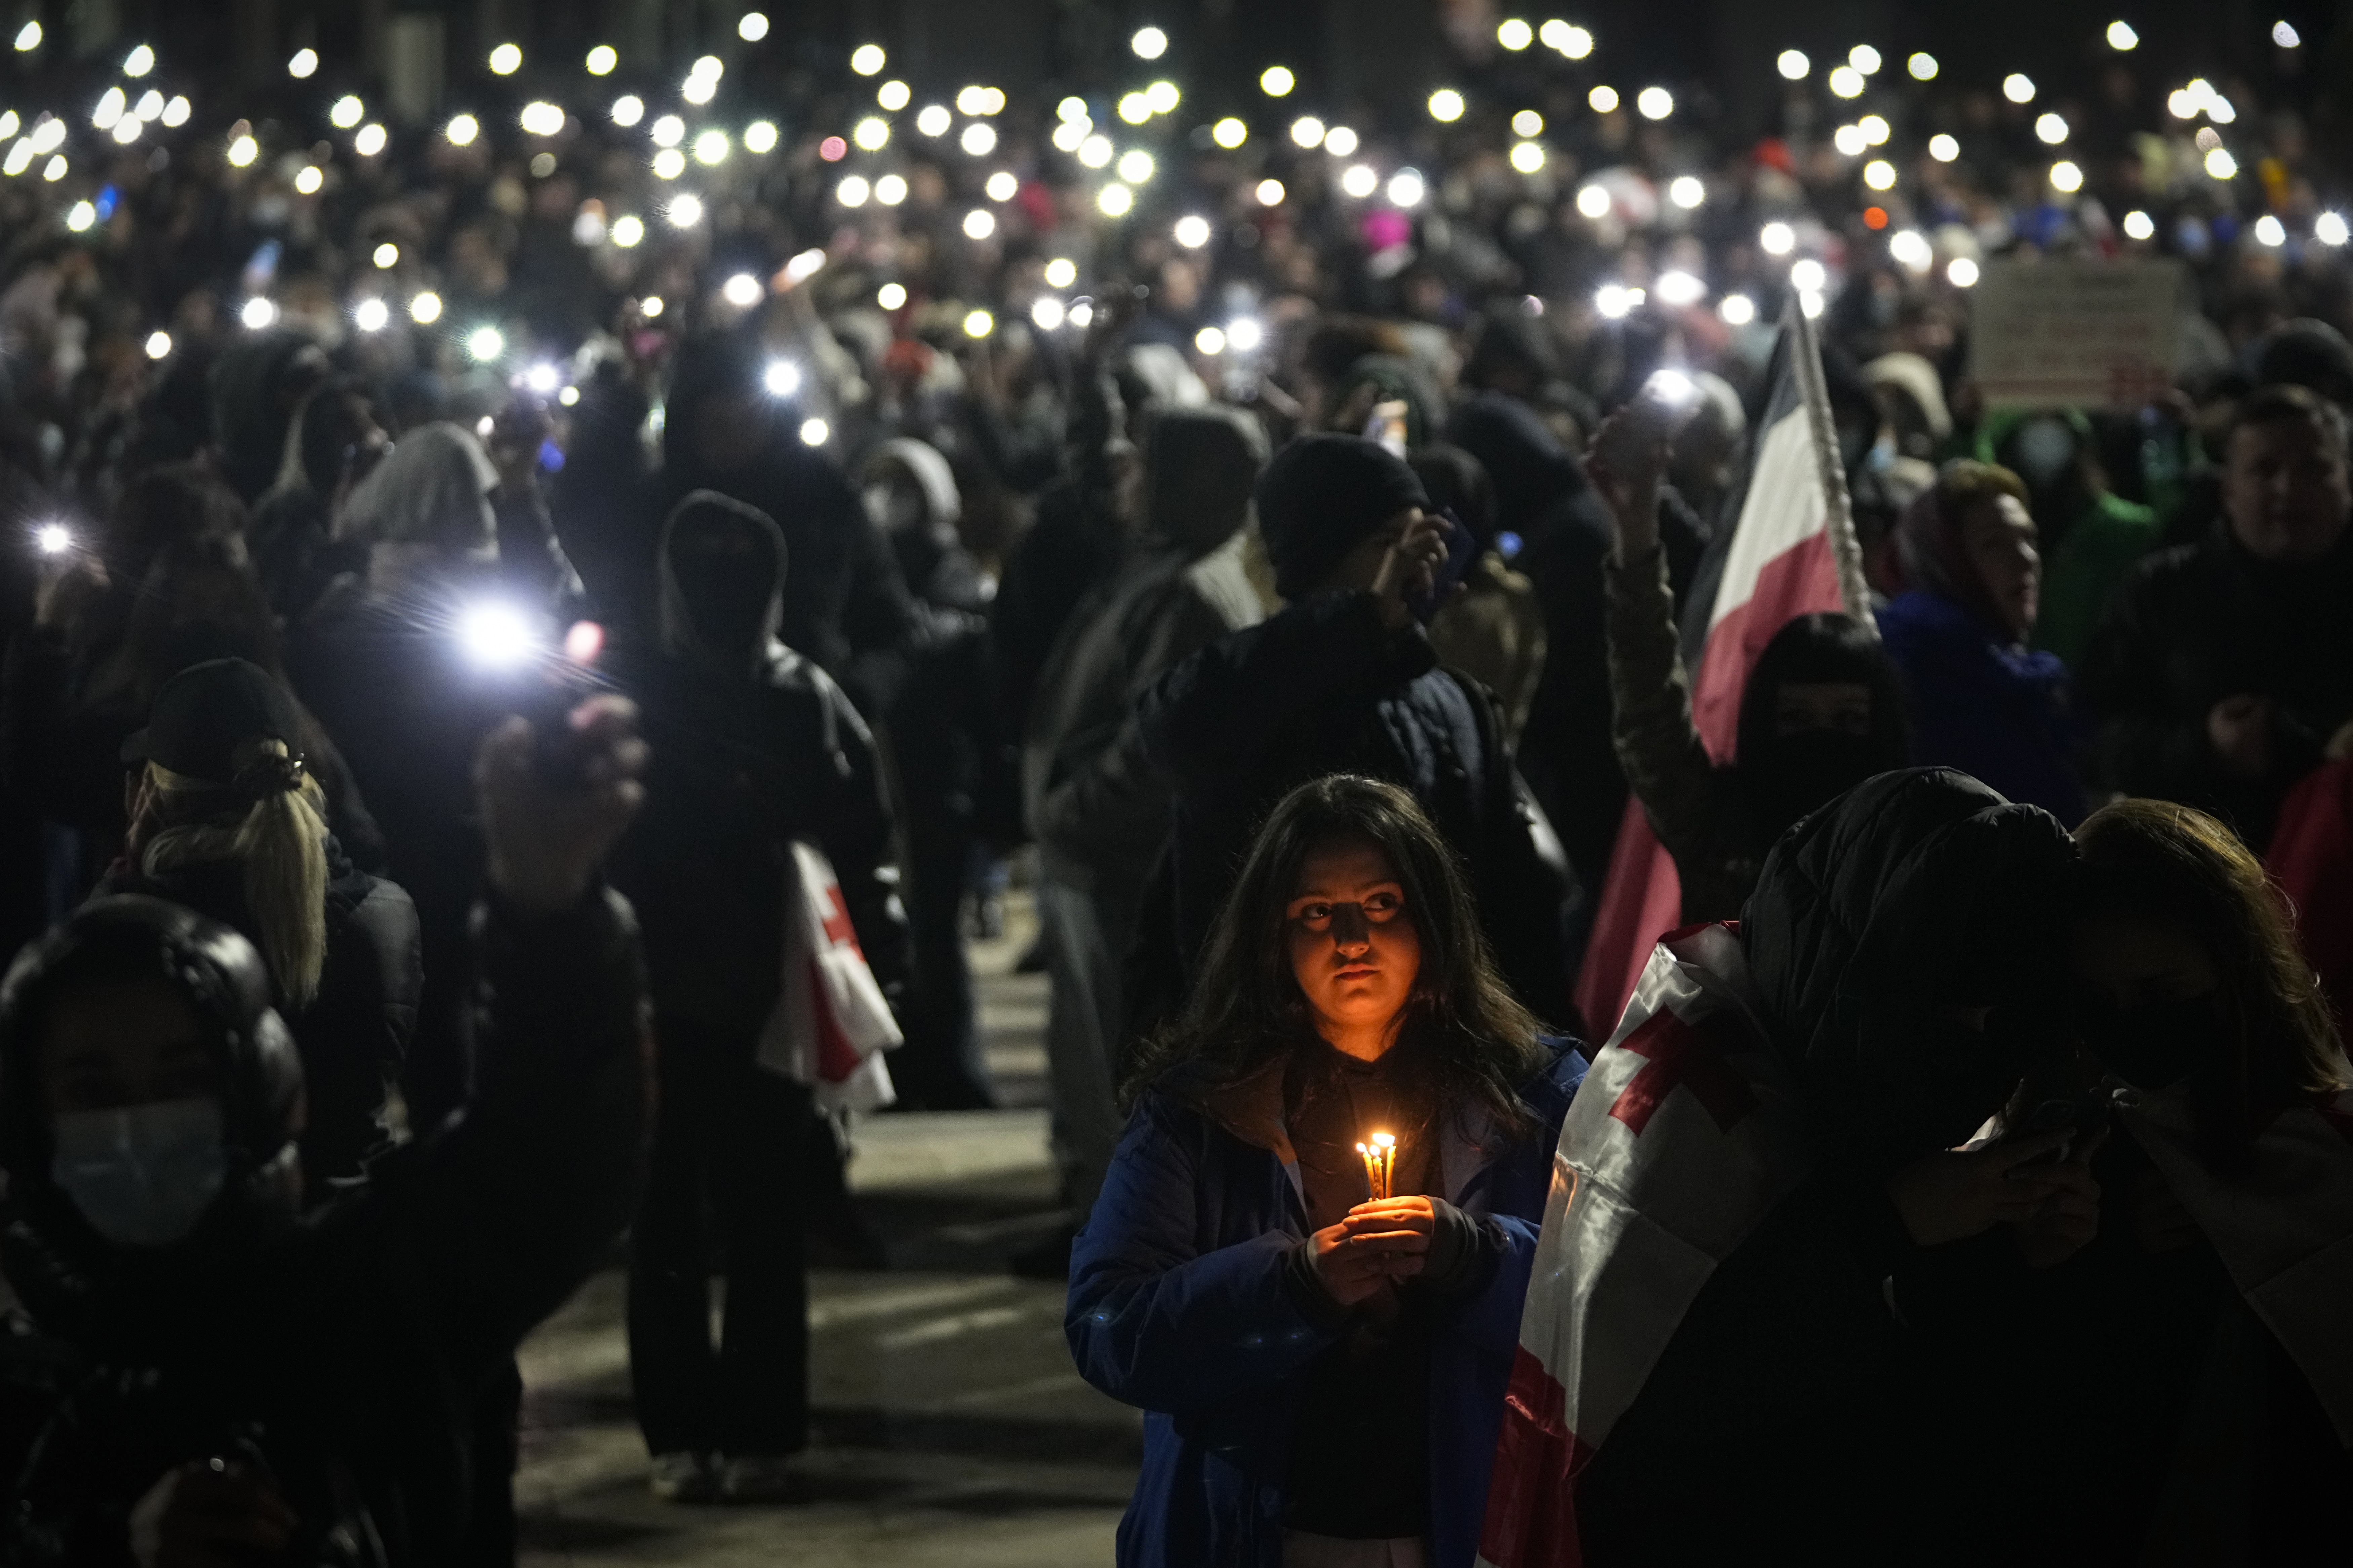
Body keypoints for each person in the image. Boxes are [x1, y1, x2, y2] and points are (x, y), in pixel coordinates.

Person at [0, 692, 649, 1566]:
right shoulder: (26, 1362)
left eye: (181, 1078)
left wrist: (549, 913)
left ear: (254, 1090)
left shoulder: (367, 1295)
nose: (137, 1119)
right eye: (93, 1086)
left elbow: (546, 1159)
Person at [1510, 770, 2086, 1563]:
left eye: (2001, 1004)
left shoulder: (1808, 1035)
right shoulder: (1709, 1092)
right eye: (1951, 996)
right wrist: (1894, 1223)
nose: (1978, 1030)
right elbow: (1680, 1390)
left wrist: (2012, 1257)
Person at [1067, 774, 1588, 1568]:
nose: (1353, 938)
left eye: (1382, 904)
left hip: (1473, 1527)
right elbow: (1110, 1326)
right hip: (1250, 1534)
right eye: (1317, 913)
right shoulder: (1202, 1112)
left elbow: (1610, 1295)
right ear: (1273, 940)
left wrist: (1477, 1257)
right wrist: (1296, 1286)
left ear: (1433, 919)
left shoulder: (1534, 1097)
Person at [1930, 798, 2353, 1558]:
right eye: (2100, 1000)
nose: (2130, 1020)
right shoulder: (2049, 1121)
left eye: (2159, 991)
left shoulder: (2319, 1141)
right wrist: (2079, 1252)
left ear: (2231, 968)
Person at [611, 490, 908, 1503]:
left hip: (759, 988)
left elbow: (862, 840)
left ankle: (752, 1426)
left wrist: (876, 954)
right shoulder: (644, 689)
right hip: (668, 988)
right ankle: (689, 1426)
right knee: (674, 1223)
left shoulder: (800, 696)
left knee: (757, 1217)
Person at [1138, 435, 1575, 1030]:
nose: (1416, 563)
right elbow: (1178, 729)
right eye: (1387, 544)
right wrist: (1362, 620)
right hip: (1278, 1056)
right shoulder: (1252, 689)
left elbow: (1514, 907)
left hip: (1442, 1052)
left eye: (1423, 540)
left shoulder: (1453, 701)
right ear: (1319, 556)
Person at [1021, 405, 1268, 1277]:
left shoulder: (1197, 588)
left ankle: (1120, 1235)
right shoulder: (1162, 567)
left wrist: (1068, 812)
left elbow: (1151, 752)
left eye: (1153, 469)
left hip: (1116, 860)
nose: (1135, 485)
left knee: (1112, 1057)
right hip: (1090, 857)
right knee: (1084, 1054)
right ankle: (1093, 1213)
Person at [93, 657, 419, 1190]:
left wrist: (127, 882)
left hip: (194, 1221)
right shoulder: (385, 912)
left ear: (152, 795)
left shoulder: (142, 925)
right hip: (340, 1227)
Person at [1593, 404, 1910, 921]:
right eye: (1797, 720)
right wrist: (1636, 531)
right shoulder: (1717, 824)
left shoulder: (1918, 836)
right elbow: (1648, 702)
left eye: (1849, 721)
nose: (1822, 744)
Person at [2080, 384, 2353, 849]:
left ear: (2346, 479)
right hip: (2202, 880)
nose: (2289, 488)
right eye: (2265, 470)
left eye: (2314, 468)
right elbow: (2094, 734)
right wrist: (2203, 747)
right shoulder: (2161, 591)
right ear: (2228, 489)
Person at [1876, 460, 2087, 823]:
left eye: (2028, 538)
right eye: (1994, 545)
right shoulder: (1924, 676)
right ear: (1944, 562)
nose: (2026, 559)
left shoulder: (2011, 673)